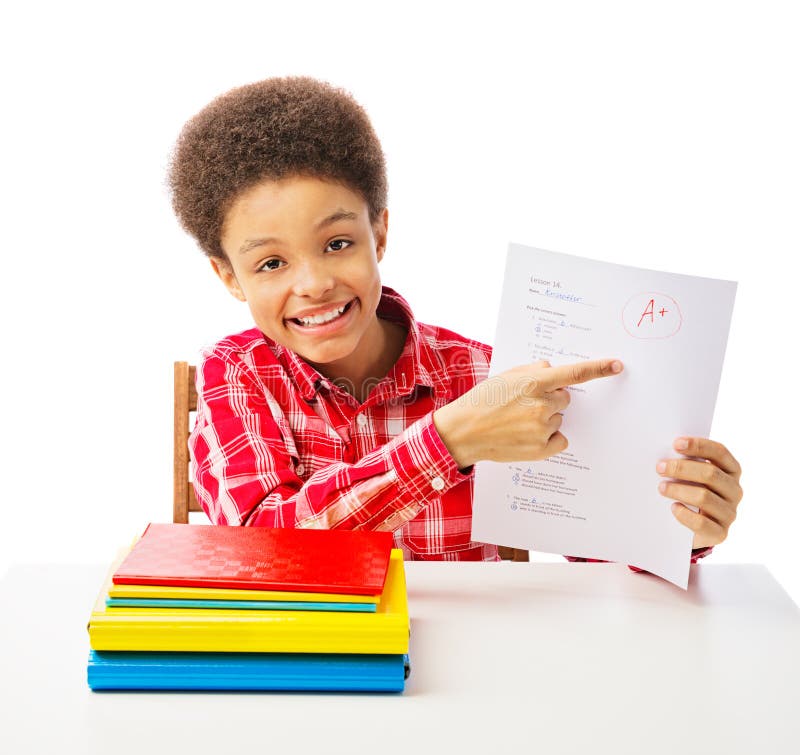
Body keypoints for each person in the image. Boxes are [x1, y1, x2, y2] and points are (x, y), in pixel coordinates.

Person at [168, 76, 742, 562]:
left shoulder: (483, 375)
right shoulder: (237, 374)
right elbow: (264, 555)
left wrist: (681, 528)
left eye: (338, 243)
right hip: (318, 681)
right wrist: (449, 441)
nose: (314, 283)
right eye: (270, 262)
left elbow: (608, 549)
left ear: (380, 234)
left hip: (482, 678)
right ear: (229, 278)